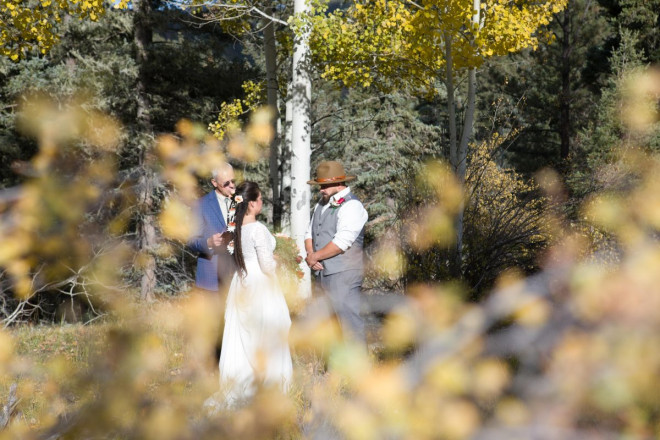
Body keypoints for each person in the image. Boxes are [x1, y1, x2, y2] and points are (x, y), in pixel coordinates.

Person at [214, 181, 293, 408]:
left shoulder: (235, 230)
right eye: (259, 200)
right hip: (260, 283)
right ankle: (270, 386)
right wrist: (281, 262)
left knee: (244, 336)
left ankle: (243, 383)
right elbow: (267, 266)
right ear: (250, 204)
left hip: (242, 282)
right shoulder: (257, 229)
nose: (261, 203)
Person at [304, 161, 368, 345]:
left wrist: (315, 256)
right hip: (322, 272)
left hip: (345, 273)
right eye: (320, 186)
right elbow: (310, 232)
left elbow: (342, 243)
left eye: (324, 186)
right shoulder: (321, 204)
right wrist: (310, 254)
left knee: (349, 323)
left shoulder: (352, 206)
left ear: (339, 184)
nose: (321, 190)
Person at [187, 163, 238, 293]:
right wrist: (208, 242)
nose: (232, 185)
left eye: (233, 181)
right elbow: (190, 241)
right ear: (214, 183)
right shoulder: (201, 205)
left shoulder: (240, 201)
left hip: (238, 276)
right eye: (226, 183)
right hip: (211, 278)